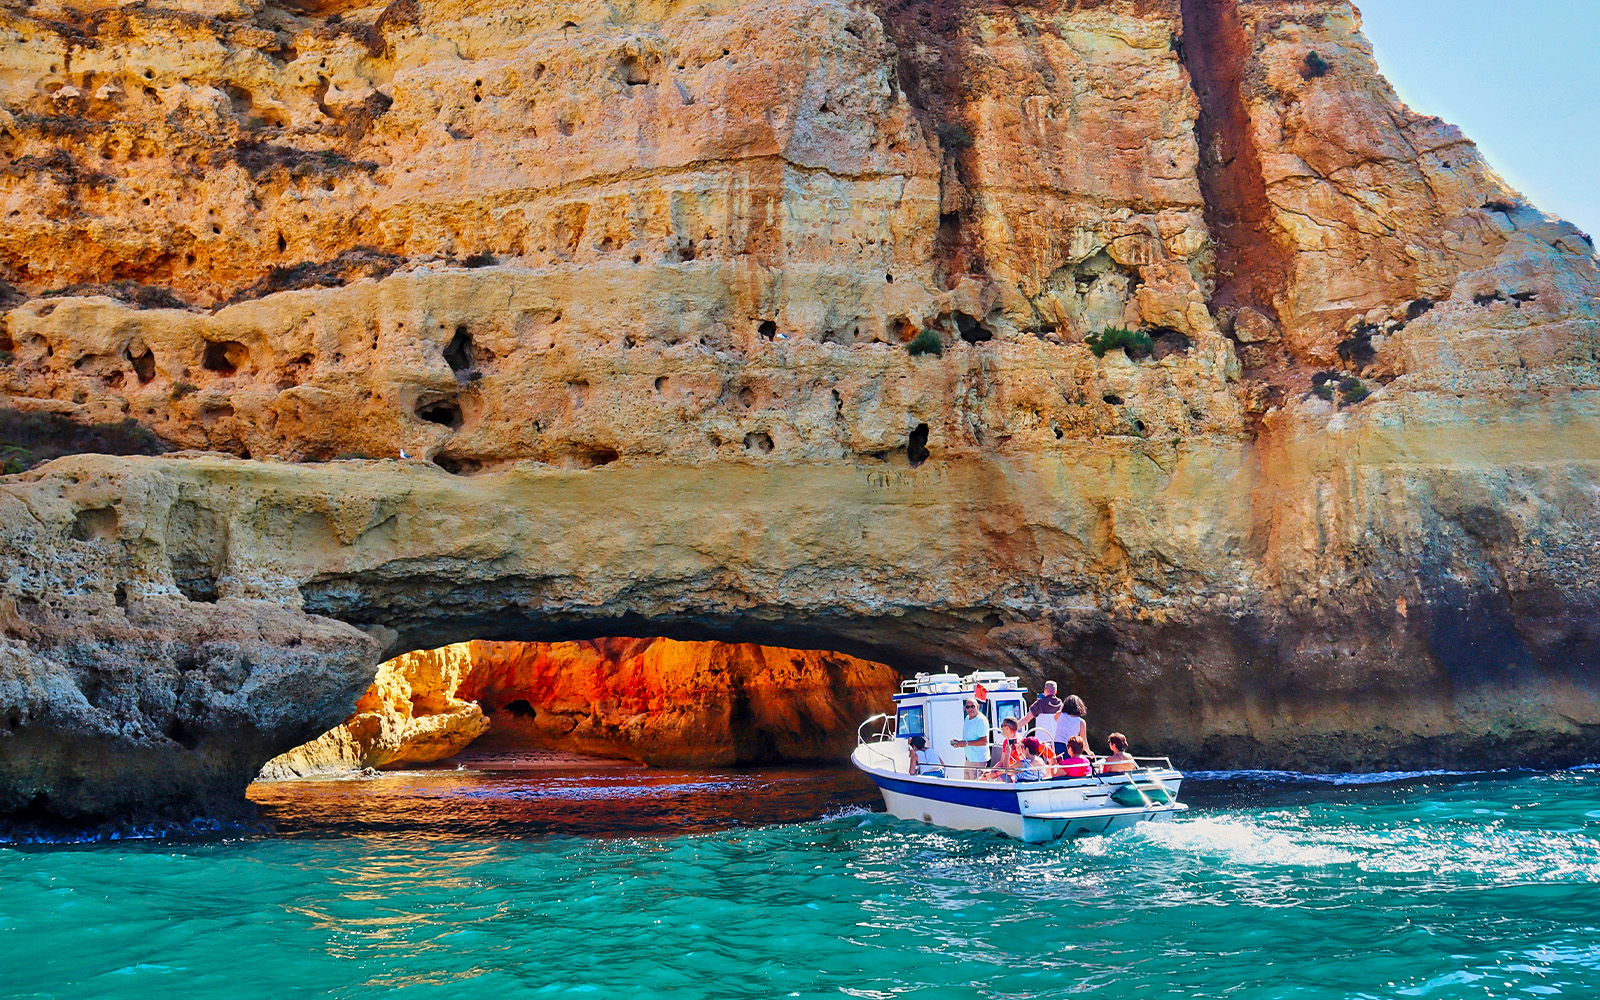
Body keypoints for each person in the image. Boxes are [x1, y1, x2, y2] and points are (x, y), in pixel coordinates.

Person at [949, 699, 989, 779]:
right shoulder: (967, 718)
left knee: (976, 787)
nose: (970, 709)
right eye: (967, 707)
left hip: (978, 760)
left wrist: (966, 743)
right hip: (969, 759)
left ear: (978, 706)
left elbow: (984, 741)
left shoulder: (981, 720)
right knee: (967, 785)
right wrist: (959, 743)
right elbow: (969, 738)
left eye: (972, 706)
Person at [1022, 680, 1065, 754]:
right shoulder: (1060, 704)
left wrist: (1013, 727)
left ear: (1045, 690)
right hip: (1055, 742)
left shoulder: (1040, 703)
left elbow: (1026, 719)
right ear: (1056, 692)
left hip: (1041, 742)